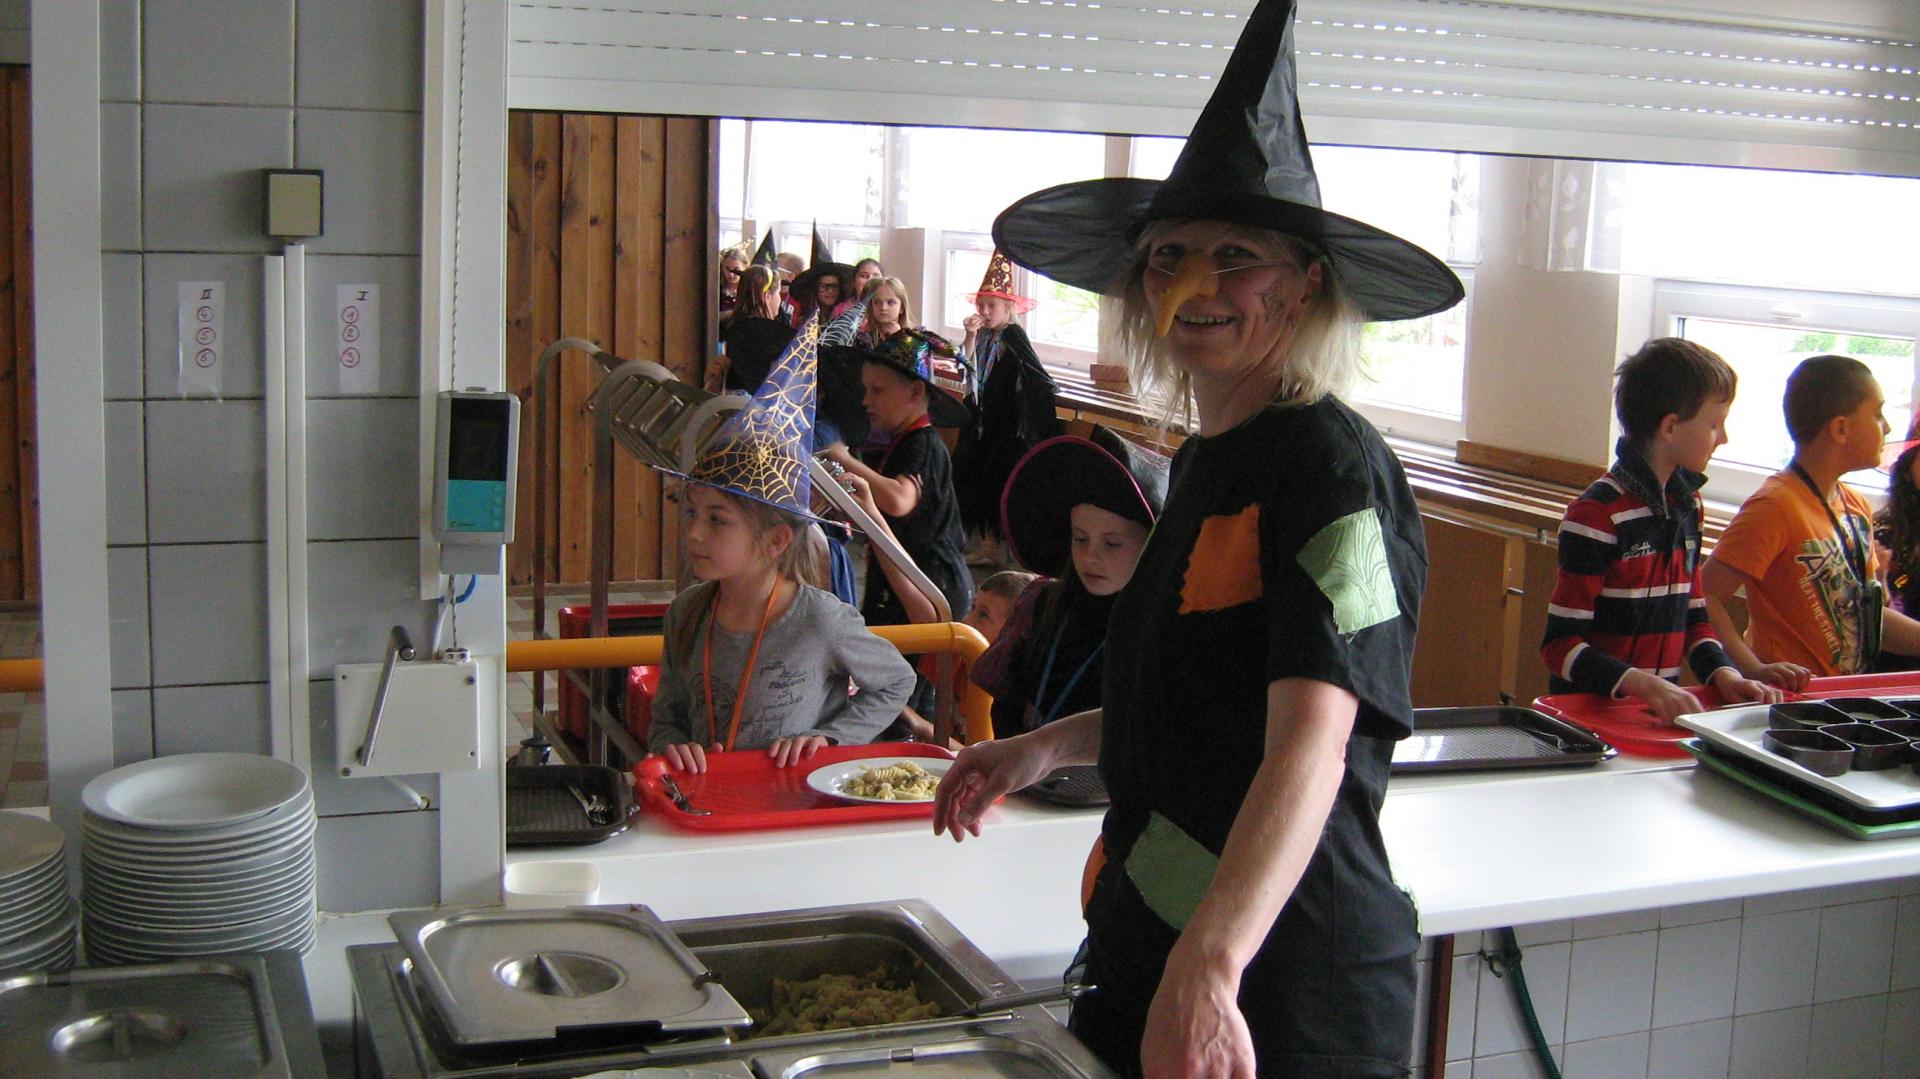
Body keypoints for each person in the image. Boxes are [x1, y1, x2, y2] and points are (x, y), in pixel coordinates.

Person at [935, 0, 1465, 1073]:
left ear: (1306, 285)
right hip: (1163, 941)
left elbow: (1313, 738)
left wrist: (1214, 960)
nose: (1199, 281)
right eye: (1171, 254)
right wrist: (1041, 745)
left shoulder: (1332, 472)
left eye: (1238, 255)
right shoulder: (1207, 460)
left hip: (1283, 978)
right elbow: (1197, 703)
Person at [647, 320, 916, 773]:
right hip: (709, 800)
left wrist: (830, 739)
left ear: (775, 540)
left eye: (717, 520)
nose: (693, 534)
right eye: (692, 513)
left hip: (792, 802)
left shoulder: (821, 619)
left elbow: (895, 682)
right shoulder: (686, 612)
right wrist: (674, 745)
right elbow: (666, 718)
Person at [1539, 339, 1782, 722]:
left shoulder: (1689, 505)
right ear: (1670, 427)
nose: (1723, 438)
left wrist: (1724, 674)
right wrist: (1643, 684)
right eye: (1714, 424)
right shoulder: (1597, 514)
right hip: (1588, 720)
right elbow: (1559, 646)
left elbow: (1695, 617)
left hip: (1648, 717)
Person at [1704, 355, 1920, 680]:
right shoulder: (1774, 506)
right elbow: (1706, 595)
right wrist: (1753, 669)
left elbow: (1871, 622)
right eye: (1877, 415)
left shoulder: (1855, 505)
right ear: (1840, 428)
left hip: (1841, 693)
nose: (1887, 427)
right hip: (1789, 697)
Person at [973, 429, 1167, 741]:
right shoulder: (1040, 603)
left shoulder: (1159, 632)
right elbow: (1006, 701)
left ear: (1150, 547)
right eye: (1080, 538)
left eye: (1112, 544)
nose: (1090, 556)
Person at [820, 335, 974, 629]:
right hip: (903, 579)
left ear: (915, 391)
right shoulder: (903, 441)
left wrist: (844, 458)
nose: (866, 400)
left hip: (929, 585)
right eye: (866, 390)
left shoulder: (923, 443)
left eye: (877, 390)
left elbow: (899, 500)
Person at [953, 250, 1060, 557]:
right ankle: (987, 544)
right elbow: (965, 367)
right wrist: (969, 336)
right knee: (977, 477)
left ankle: (997, 546)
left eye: (992, 305)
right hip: (982, 420)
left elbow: (1035, 375)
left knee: (998, 480)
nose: (985, 311)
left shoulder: (1012, 335)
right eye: (981, 305)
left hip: (1006, 425)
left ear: (1008, 308)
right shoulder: (982, 335)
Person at [823, 258, 885, 347]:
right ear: (853, 282)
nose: (870, 280)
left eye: (876, 276)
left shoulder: (885, 308)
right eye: (864, 276)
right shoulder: (840, 309)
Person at [717, 244, 748, 314]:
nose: (731, 274)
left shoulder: (750, 290)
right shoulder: (717, 290)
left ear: (745, 268)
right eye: (727, 269)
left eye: (736, 269)